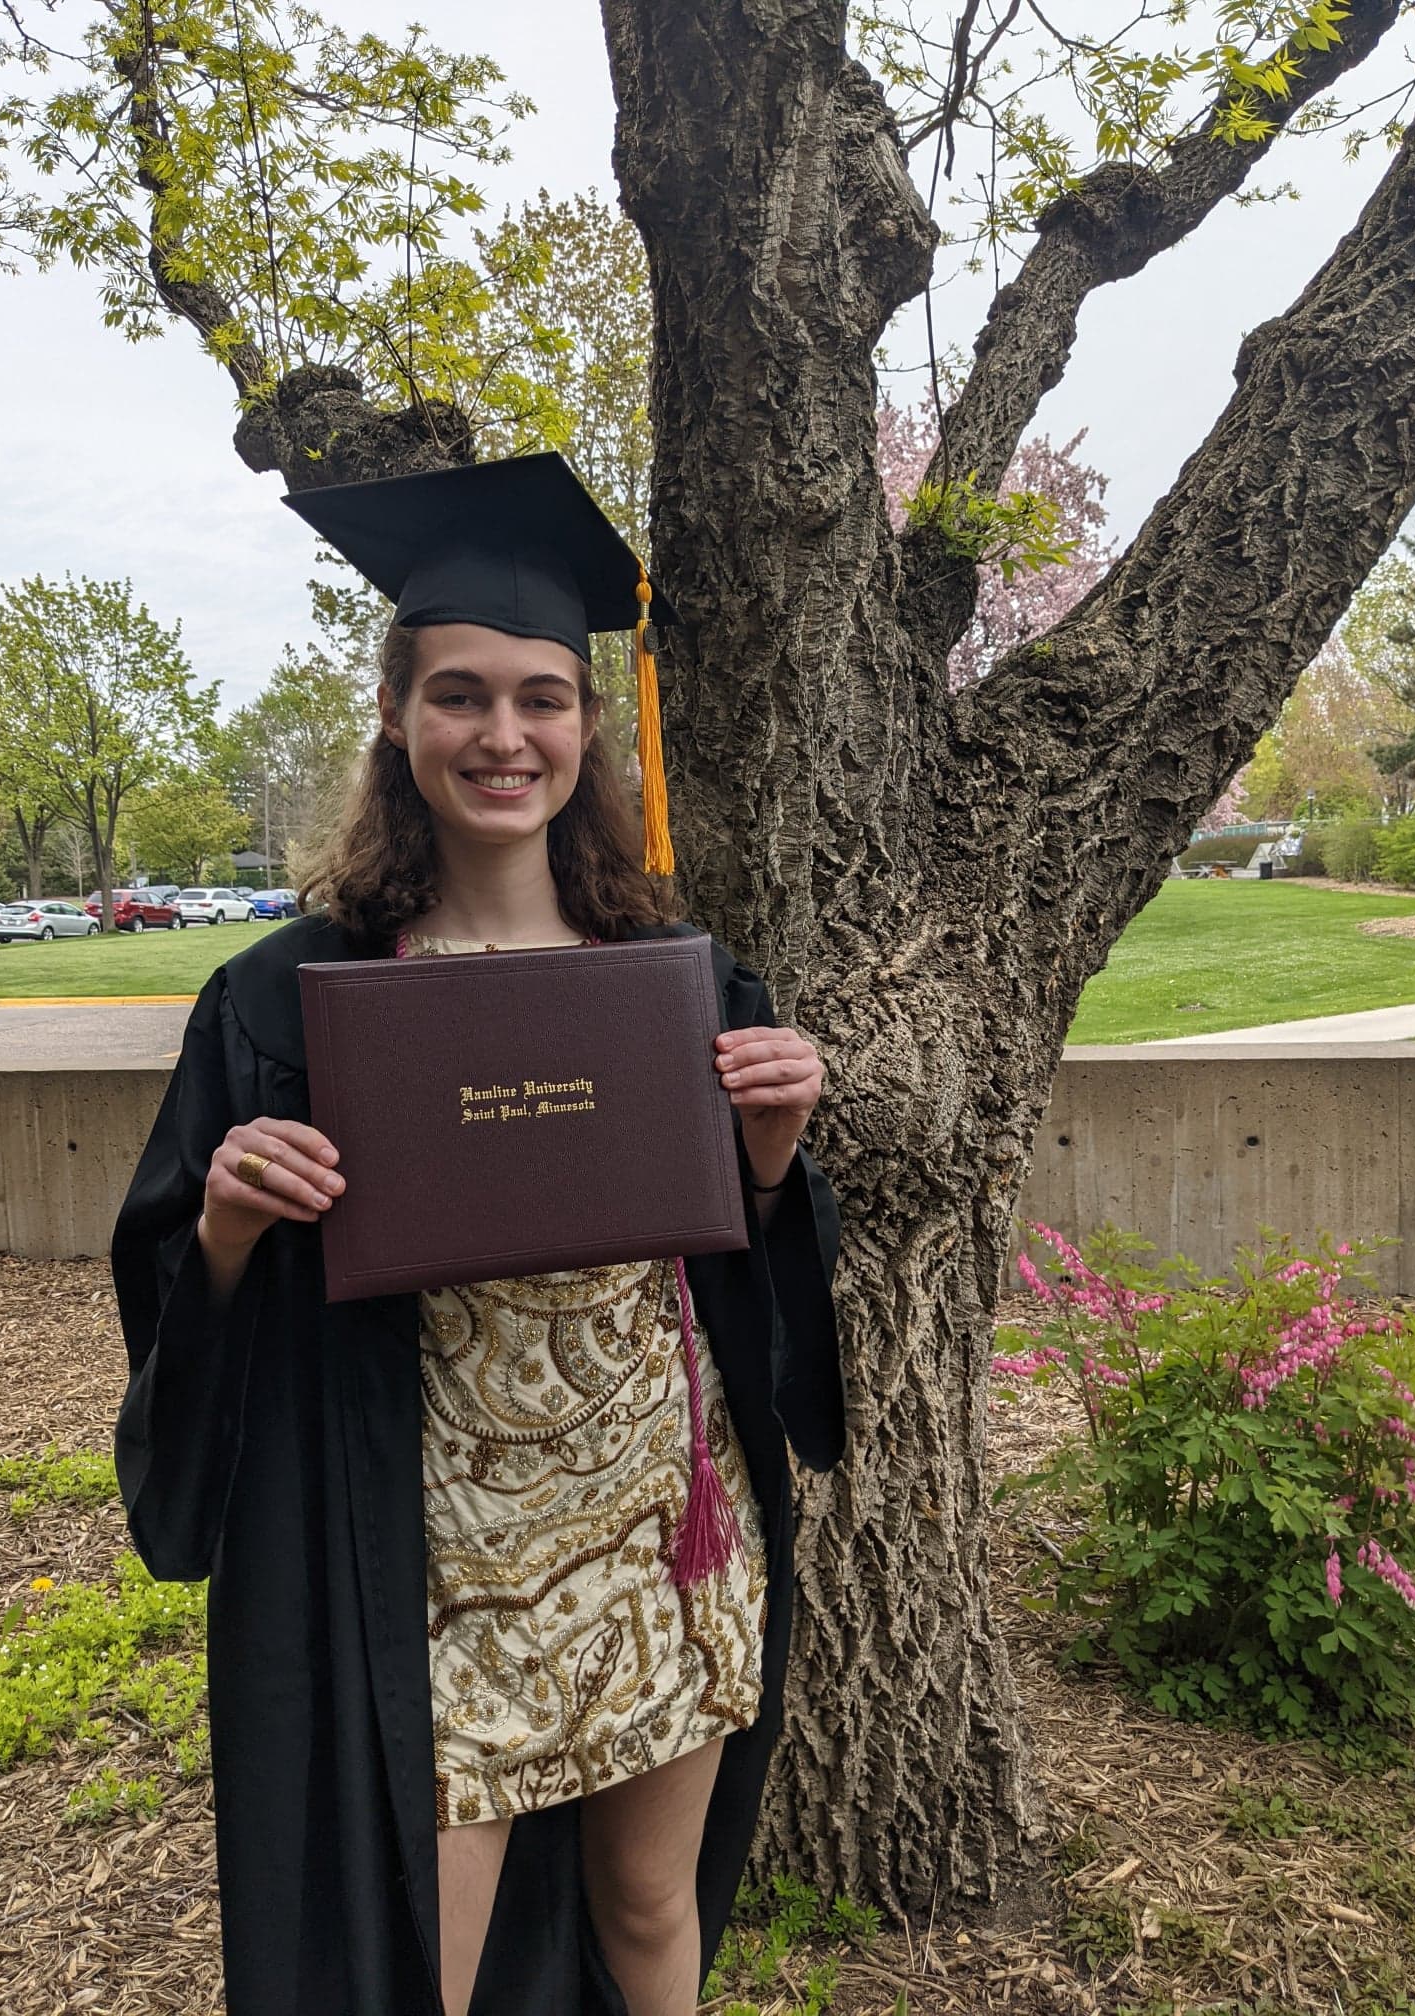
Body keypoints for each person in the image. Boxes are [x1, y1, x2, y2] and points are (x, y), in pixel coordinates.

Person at [110, 453, 845, 2016]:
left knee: (651, 1912)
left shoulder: (681, 983)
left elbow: (739, 1268)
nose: (502, 736)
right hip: (423, 1561)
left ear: (588, 727)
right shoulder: (281, 1002)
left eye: (540, 698)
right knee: (411, 1955)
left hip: (662, 1527)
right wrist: (234, 1218)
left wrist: (772, 1164)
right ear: (394, 716)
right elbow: (181, 1277)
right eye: (457, 695)